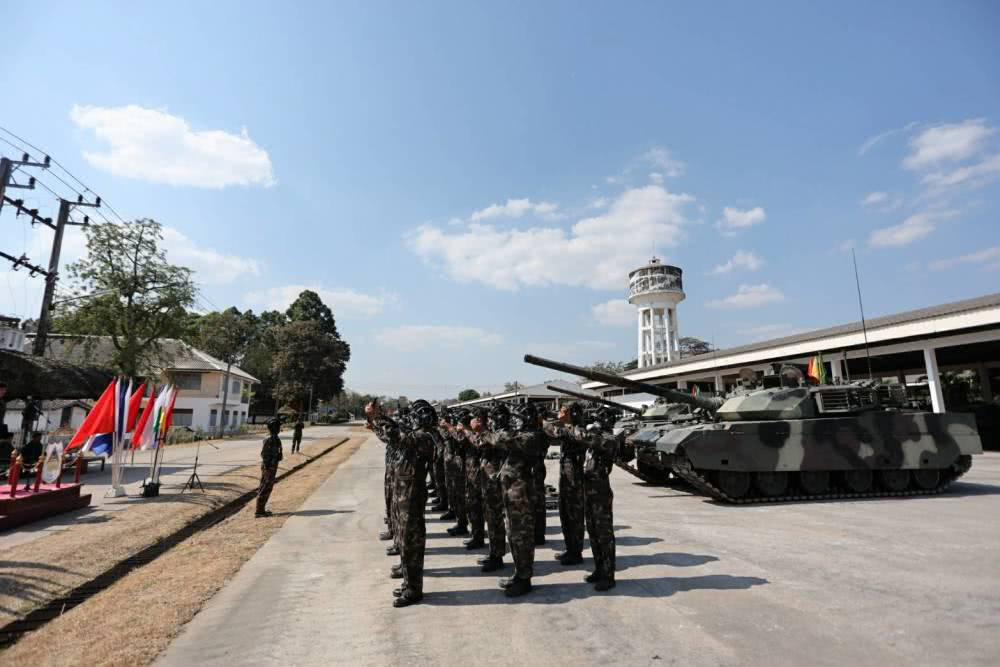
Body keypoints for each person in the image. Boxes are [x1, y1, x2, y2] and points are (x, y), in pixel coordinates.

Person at [491, 402, 546, 598]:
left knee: (522, 537)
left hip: (521, 495)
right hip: (512, 493)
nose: (514, 422)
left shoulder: (531, 436)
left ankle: (525, 579)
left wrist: (498, 431)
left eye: (518, 419)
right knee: (513, 536)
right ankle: (518, 574)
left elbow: (501, 439)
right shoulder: (522, 435)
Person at [384, 399, 435, 607]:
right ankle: (408, 583)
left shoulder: (424, 436)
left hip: (412, 496)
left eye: (414, 415)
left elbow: (396, 436)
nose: (409, 419)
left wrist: (379, 416)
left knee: (411, 542)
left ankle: (414, 590)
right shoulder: (415, 435)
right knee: (405, 542)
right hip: (405, 495)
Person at [582, 408, 624, 591]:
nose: (595, 422)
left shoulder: (609, 439)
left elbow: (585, 437)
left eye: (599, 419)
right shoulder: (596, 438)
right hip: (589, 490)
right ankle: (599, 569)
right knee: (593, 533)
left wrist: (572, 426)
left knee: (604, 535)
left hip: (600, 492)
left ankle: (608, 575)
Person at [544, 403, 586, 566]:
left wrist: (542, 421)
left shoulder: (577, 429)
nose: (559, 412)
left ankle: (576, 553)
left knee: (574, 517)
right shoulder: (569, 427)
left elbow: (555, 432)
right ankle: (570, 549)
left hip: (574, 481)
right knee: (566, 516)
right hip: (566, 479)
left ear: (572, 413)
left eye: (562, 410)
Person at [474, 408, 507, 572]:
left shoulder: (498, 431)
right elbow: (478, 443)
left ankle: (497, 556)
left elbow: (489, 441)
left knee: (495, 518)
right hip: (488, 477)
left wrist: (481, 431)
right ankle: (494, 552)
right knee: (490, 517)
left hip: (494, 478)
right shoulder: (490, 431)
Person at [455, 410, 485, 550]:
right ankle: (476, 535)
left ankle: (478, 537)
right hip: (471, 474)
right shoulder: (473, 433)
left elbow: (476, 442)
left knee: (476, 507)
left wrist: (465, 430)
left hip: (478, 475)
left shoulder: (482, 434)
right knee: (472, 507)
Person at [441, 411, 468, 535]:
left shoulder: (466, 433)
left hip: (462, 468)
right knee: (455, 495)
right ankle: (460, 522)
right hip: (454, 465)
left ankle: (463, 525)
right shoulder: (457, 430)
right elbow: (447, 437)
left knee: (461, 498)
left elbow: (459, 438)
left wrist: (450, 427)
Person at [256, 417, 283, 518]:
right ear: (273, 427)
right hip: (269, 467)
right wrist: (268, 468)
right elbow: (264, 454)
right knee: (264, 487)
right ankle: (259, 511)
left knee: (268, 488)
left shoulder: (276, 438)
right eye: (277, 427)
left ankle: (261, 509)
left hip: (273, 466)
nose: (279, 428)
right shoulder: (269, 439)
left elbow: (278, 452)